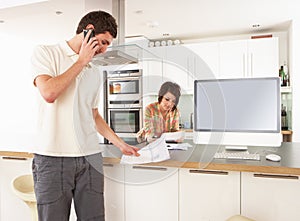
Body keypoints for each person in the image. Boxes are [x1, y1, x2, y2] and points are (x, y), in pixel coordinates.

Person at [31, 10, 139, 221]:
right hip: (53, 157)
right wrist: (80, 61)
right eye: (102, 42)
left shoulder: (93, 71)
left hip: (90, 157)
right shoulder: (46, 53)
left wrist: (119, 143)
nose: (104, 50)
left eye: (108, 45)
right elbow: (49, 93)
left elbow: (93, 114)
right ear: (88, 31)